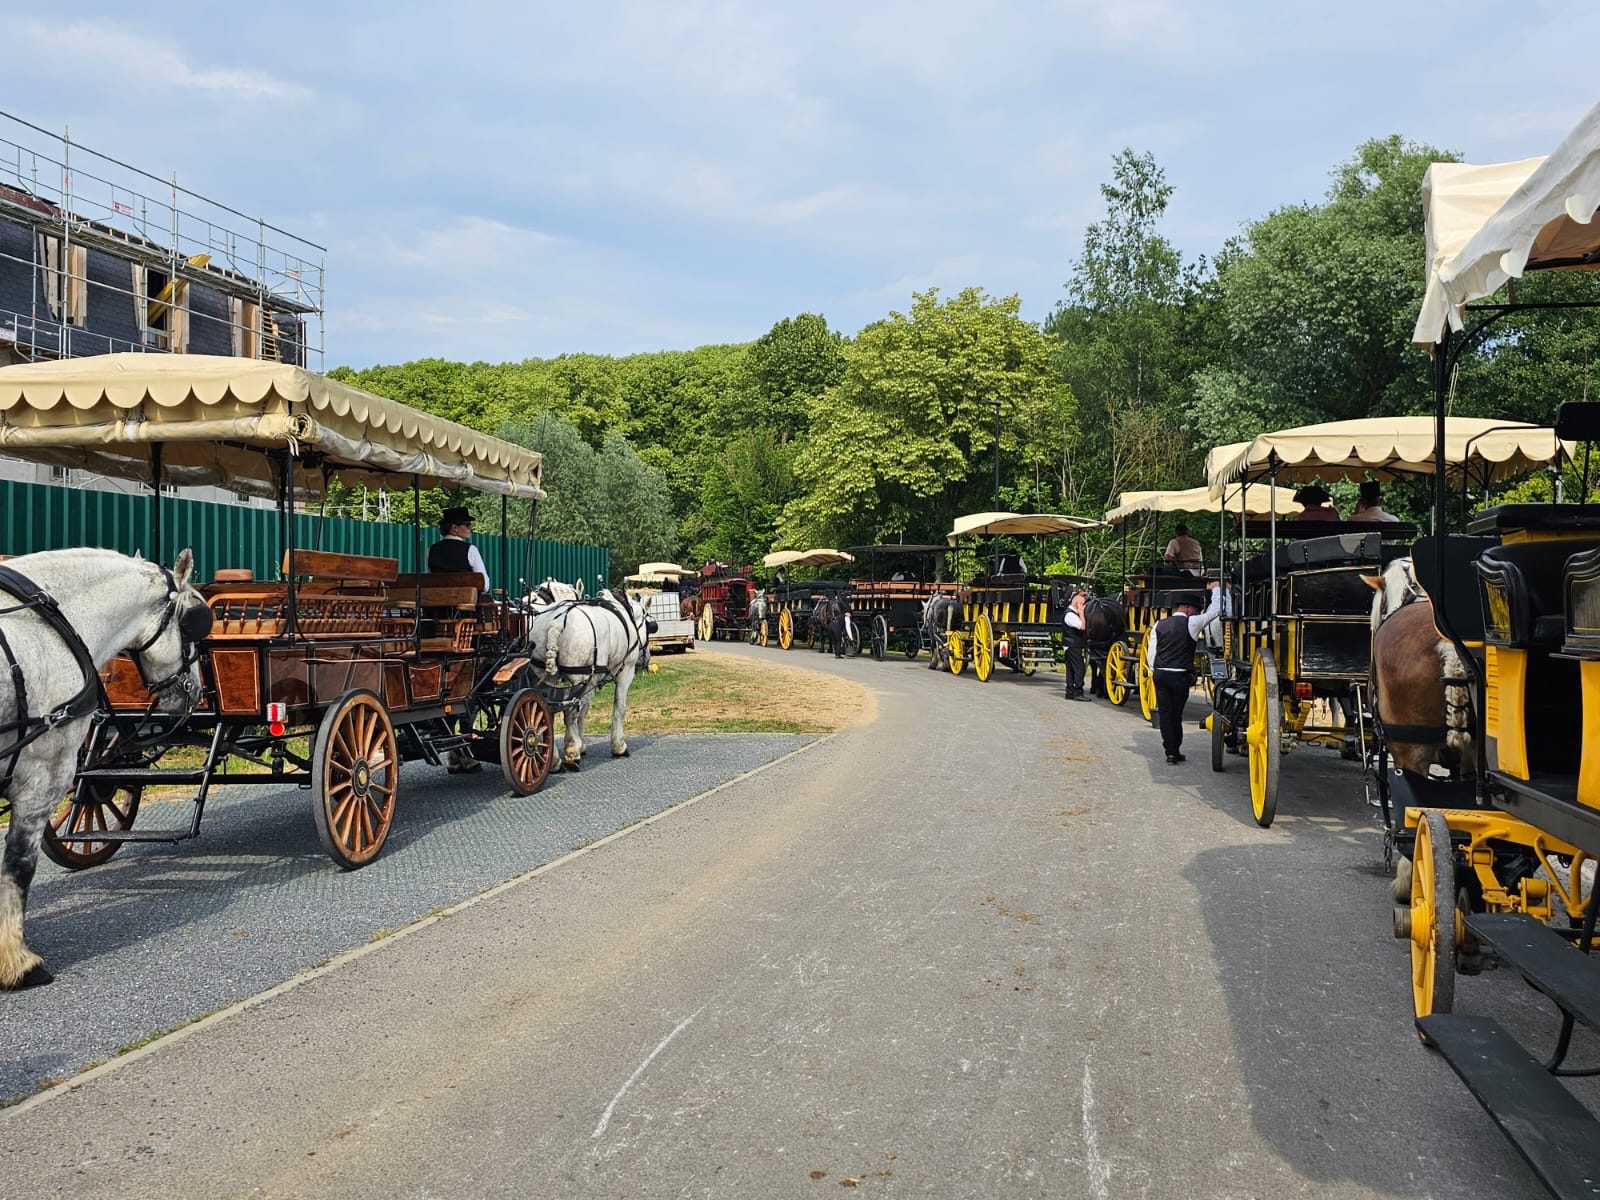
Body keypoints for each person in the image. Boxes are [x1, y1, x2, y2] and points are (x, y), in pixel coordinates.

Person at [1145, 582, 1227, 764]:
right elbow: (1214, 611)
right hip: (1179, 675)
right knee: (1176, 713)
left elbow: (1152, 652)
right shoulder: (1192, 622)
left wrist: (1154, 671)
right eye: (1197, 610)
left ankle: (1170, 752)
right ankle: (1176, 749)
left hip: (1161, 674)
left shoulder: (1159, 624)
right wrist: (1217, 590)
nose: (1197, 613)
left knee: (1166, 713)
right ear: (1190, 609)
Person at [427, 506, 491, 591]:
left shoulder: (430, 550)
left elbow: (430, 578)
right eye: (467, 525)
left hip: (437, 601)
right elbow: (484, 585)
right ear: (455, 528)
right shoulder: (471, 550)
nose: (470, 529)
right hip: (467, 602)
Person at [1062, 589, 1090, 701]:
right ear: (1078, 603)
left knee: (1071, 669)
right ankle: (1078, 692)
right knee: (1079, 668)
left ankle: (1070, 692)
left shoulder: (1071, 613)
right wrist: (1082, 613)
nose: (1083, 606)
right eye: (1082, 604)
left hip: (1071, 644)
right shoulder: (1070, 615)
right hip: (1073, 645)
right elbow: (1082, 626)